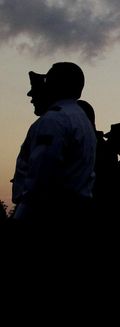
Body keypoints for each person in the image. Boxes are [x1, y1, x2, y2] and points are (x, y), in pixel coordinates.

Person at [11, 62, 96, 240]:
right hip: (74, 215)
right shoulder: (81, 119)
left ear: (57, 84)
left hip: (48, 219)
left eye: (49, 79)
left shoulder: (54, 120)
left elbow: (41, 175)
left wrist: (20, 218)